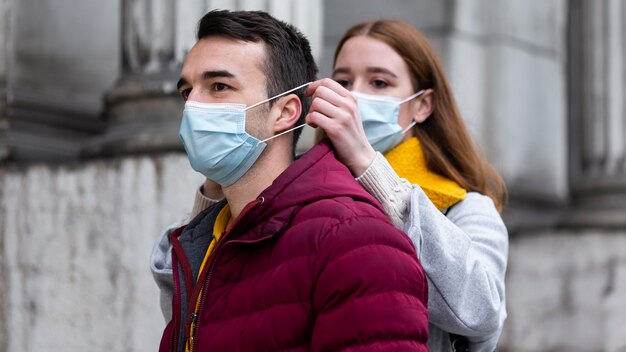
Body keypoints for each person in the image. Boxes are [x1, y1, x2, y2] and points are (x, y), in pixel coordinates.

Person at [153, 10, 430, 352]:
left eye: (219, 86)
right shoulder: (207, 237)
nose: (193, 105)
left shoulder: (354, 237)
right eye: (187, 91)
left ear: (285, 112)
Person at [303, 20, 509, 351]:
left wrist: (369, 167)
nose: (355, 95)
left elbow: (483, 312)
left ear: (422, 104)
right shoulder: (302, 195)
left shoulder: (465, 207)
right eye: (343, 81)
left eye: (379, 82)